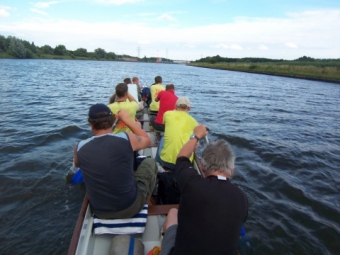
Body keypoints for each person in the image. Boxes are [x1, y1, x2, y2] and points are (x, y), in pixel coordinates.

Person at [160, 126, 248, 255]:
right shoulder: (242, 197)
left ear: (201, 166)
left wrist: (196, 136)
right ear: (232, 171)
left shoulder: (192, 183)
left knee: (173, 212)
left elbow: (182, 157)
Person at [73, 104, 157, 219]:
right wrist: (127, 120)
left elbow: (77, 164)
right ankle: (147, 199)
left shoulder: (79, 147)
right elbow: (147, 140)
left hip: (99, 211)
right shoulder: (127, 138)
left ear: (91, 124)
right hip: (130, 207)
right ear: (112, 121)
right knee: (150, 162)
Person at [156, 97, 198, 170]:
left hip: (166, 161)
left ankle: (157, 162)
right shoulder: (194, 122)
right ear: (189, 108)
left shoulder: (167, 114)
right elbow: (196, 146)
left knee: (163, 138)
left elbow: (165, 125)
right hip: (185, 164)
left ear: (175, 106)